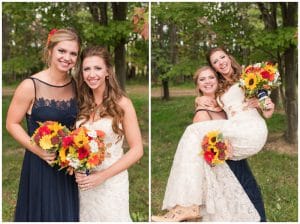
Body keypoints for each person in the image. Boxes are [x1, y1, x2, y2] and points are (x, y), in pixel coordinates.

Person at [152, 64, 274, 222]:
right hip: (222, 165)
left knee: (251, 195)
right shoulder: (202, 112)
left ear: (218, 81)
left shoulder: (223, 103)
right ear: (198, 85)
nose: (207, 81)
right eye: (202, 79)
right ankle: (187, 205)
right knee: (240, 204)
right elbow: (204, 150)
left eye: (211, 77)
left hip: (237, 158)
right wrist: (223, 149)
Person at [6, 28, 81, 221]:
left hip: (67, 168)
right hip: (39, 165)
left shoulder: (78, 87)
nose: (67, 57)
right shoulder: (30, 85)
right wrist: (38, 150)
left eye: (73, 53)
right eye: (62, 51)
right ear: (50, 51)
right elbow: (12, 123)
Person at [74, 46, 144, 221]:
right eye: (87, 69)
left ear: (107, 71)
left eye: (97, 68)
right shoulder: (80, 103)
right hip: (85, 182)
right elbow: (75, 144)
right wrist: (75, 167)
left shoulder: (122, 103)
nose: (92, 74)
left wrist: (103, 176)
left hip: (111, 181)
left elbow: (137, 150)